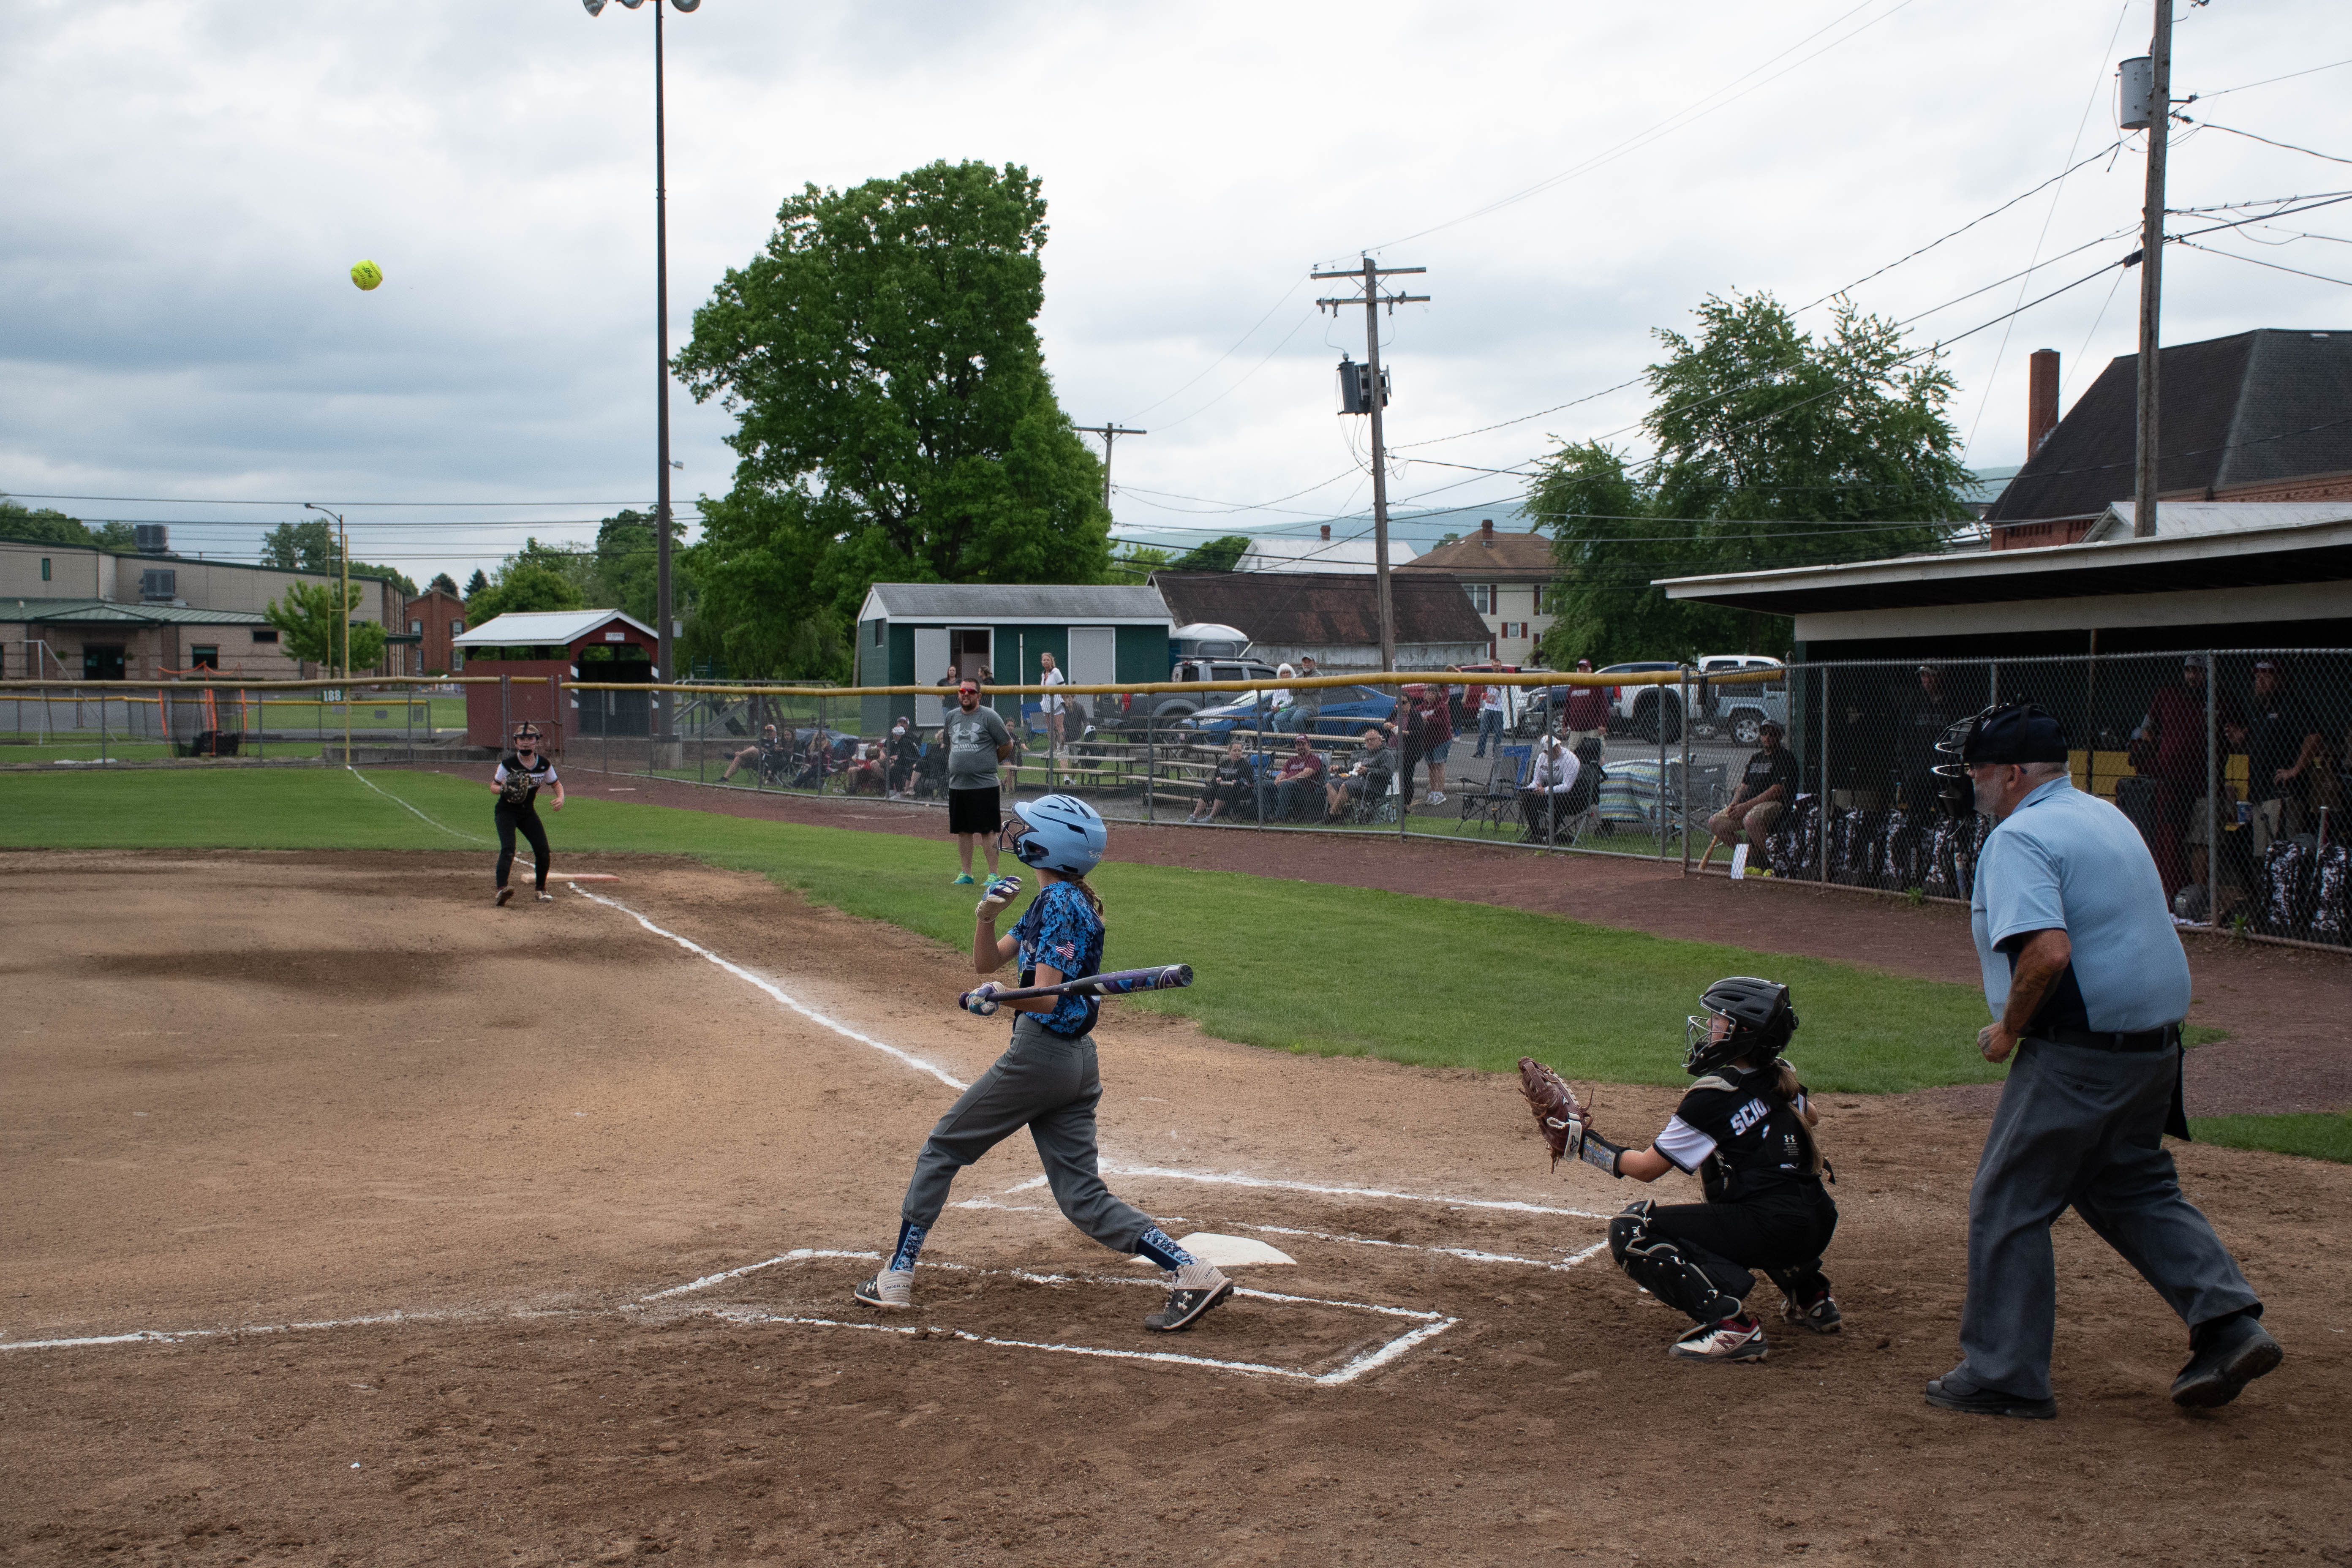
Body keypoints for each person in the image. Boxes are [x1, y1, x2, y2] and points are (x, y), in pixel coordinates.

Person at [1925, 702, 2278, 1419]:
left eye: (1980, 769)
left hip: (2080, 1050)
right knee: (2131, 1185)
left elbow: (2047, 952)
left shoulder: (2019, 835)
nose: (1972, 781)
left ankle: (2004, 1374)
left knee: (2007, 1201)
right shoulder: (2101, 814)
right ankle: (2226, 1323)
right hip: (2151, 1049)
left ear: (2015, 774)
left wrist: (2006, 1032)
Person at [855, 795, 1236, 1333]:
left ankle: (896, 1274)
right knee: (1082, 1196)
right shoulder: (1059, 898)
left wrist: (998, 997)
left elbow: (1047, 998)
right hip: (1078, 1064)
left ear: (1048, 844)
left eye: (1029, 826)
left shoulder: (1060, 902)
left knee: (943, 1147)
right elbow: (989, 962)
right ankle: (1192, 1270)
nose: (1017, 830)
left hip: (1041, 1057)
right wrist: (985, 917)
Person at [1552, 977, 1840, 1363]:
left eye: (1720, 1021)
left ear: (1745, 1034)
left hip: (1777, 1231)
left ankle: (1731, 1326)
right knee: (1739, 1185)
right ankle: (1811, 1295)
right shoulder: (1780, 1076)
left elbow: (1646, 1169)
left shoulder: (1715, 1095)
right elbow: (1813, 1117)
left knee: (1633, 1229)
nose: (1710, 1028)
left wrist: (1584, 1145)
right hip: (1818, 1221)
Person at [2132, 654, 2244, 898]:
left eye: (2199, 671)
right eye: (2189, 671)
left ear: (2209, 674)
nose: (2192, 676)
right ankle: (2172, 895)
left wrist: (2237, 737)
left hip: (2206, 783)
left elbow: (2241, 734)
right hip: (2172, 784)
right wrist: (2155, 754)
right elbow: (2146, 730)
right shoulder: (2167, 695)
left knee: (2202, 840)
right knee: (2171, 840)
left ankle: (2198, 895)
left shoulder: (2223, 700)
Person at [2244, 659, 2322, 855]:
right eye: (2258, 676)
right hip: (2259, 794)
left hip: (2281, 795)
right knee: (2261, 855)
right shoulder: (2258, 708)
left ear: (2280, 679)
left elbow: (2314, 737)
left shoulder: (2290, 704)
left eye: (2267, 675)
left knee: (2282, 856)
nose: (2260, 681)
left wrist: (2295, 770)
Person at [944, 679, 1015, 885]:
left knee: (988, 830)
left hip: (984, 785)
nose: (966, 695)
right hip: (958, 784)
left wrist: (991, 762)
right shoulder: (951, 717)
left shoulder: (989, 717)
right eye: (962, 691)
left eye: (971, 692)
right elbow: (951, 745)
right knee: (963, 830)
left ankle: (993, 874)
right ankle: (966, 874)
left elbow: (1007, 744)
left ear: (979, 695)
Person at [487, 722, 564, 906]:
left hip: (527, 812)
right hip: (506, 811)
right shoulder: (508, 764)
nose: (525, 743)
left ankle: (541, 890)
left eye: (530, 739)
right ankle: (501, 891)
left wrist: (561, 798)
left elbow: (556, 784)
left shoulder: (544, 765)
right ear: (516, 743)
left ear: (536, 742)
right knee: (508, 849)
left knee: (543, 850)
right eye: (521, 739)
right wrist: (505, 788)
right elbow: (493, 787)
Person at [1702, 719, 1798, 864]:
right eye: (1764, 733)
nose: (1768, 737)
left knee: (1750, 820)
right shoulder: (1756, 758)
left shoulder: (1785, 758)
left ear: (1779, 736)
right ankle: (1749, 857)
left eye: (1772, 733)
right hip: (1748, 805)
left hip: (1775, 804)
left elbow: (1776, 791)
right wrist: (1735, 804)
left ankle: (1777, 861)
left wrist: (1746, 807)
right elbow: (1744, 786)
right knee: (1715, 822)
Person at [1520, 732, 1581, 843]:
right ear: (1545, 752)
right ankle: (1536, 834)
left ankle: (1551, 836)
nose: (1555, 750)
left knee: (1557, 800)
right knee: (1528, 799)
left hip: (1570, 796)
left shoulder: (1570, 759)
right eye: (1551, 749)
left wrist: (1545, 790)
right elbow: (1536, 782)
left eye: (1556, 747)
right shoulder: (1542, 758)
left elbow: (1567, 787)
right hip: (1548, 791)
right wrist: (1528, 789)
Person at [1326, 728, 1394, 822]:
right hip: (1356, 781)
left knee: (1345, 786)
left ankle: (1331, 816)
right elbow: (1353, 769)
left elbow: (1387, 773)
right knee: (1331, 784)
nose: (1370, 742)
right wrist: (1339, 768)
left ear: (1379, 740)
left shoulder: (1386, 754)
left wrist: (1367, 771)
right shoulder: (1364, 754)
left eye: (1372, 740)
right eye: (1367, 740)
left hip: (1374, 786)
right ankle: (1339, 818)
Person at [1189, 737, 1256, 823]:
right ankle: (1194, 817)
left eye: (1239, 751)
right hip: (1224, 789)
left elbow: (1250, 783)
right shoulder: (1223, 764)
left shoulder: (1246, 765)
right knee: (1209, 790)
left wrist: (1238, 783)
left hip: (1240, 791)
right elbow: (1213, 781)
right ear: (1229, 752)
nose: (1237, 753)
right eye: (1235, 751)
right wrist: (1217, 780)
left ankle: (1211, 818)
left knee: (1223, 790)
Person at [1271, 733, 1327, 821]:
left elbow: (1306, 774)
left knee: (1286, 784)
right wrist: (1278, 780)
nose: (1300, 747)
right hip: (1286, 785)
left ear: (1309, 746)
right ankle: (1264, 816)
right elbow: (1283, 773)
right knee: (1263, 784)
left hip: (1303, 789)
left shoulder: (1314, 759)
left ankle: (1279, 818)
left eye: (1303, 744)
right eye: (1298, 745)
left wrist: (1286, 781)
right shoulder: (1292, 760)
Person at [1418, 683, 1454, 806]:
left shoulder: (1441, 706)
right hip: (1427, 741)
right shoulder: (1421, 707)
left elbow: (1444, 722)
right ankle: (1433, 792)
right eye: (1428, 693)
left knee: (1439, 765)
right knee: (1431, 767)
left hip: (1441, 740)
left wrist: (1429, 720)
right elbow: (1415, 715)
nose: (1430, 696)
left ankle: (1440, 793)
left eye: (1433, 694)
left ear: (1437, 695)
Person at [719, 722, 785, 785]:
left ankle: (734, 755)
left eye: (771, 732)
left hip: (766, 761)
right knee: (738, 759)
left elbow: (776, 750)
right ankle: (725, 778)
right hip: (754, 761)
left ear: (775, 733)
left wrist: (764, 749)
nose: (769, 733)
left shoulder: (777, 741)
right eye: (767, 732)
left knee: (754, 751)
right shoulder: (763, 740)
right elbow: (755, 746)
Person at [1564, 660, 1610, 749]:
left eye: (1585, 670)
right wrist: (1564, 724)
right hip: (1576, 729)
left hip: (1593, 728)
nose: (1582, 672)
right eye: (1580, 670)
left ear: (1590, 671)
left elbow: (1604, 706)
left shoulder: (1596, 685)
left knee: (1598, 753)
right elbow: (1568, 707)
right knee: (1572, 754)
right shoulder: (1573, 686)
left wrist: (1603, 724)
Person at [1037, 651, 1067, 753]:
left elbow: (1063, 687)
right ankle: (1053, 748)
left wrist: (1065, 701)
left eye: (1048, 660)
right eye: (1044, 660)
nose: (1046, 662)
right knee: (1049, 728)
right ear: (1042, 662)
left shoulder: (1056, 672)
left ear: (1051, 661)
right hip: (1046, 704)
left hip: (1057, 703)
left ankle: (1062, 747)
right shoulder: (1043, 674)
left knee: (1059, 727)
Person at [883, 719, 921, 797]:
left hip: (911, 763)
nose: (894, 737)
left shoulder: (905, 742)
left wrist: (896, 762)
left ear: (898, 735)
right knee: (889, 767)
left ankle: (900, 792)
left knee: (895, 768)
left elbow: (906, 758)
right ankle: (891, 790)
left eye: (895, 735)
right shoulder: (901, 741)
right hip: (906, 762)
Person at [1473, 682, 1505, 759]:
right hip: (1488, 707)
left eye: (1498, 668)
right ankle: (1480, 753)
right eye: (1494, 668)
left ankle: (1496, 754)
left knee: (1498, 732)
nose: (1496, 668)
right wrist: (1484, 686)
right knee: (1483, 731)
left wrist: (1498, 687)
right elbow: (1484, 692)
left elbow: (1505, 694)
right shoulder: (1489, 678)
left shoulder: (1503, 679)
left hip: (1499, 709)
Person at [1292, 655, 1323, 734]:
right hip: (1299, 706)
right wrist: (1300, 687)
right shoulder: (1300, 676)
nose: (1306, 664)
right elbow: (1292, 692)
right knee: (1280, 718)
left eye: (1309, 662)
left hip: (1311, 708)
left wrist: (1298, 686)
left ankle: (1303, 740)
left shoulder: (1319, 676)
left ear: (1314, 664)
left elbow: (1308, 690)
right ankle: (1291, 741)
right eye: (1304, 662)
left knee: (1296, 719)